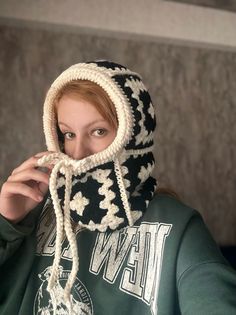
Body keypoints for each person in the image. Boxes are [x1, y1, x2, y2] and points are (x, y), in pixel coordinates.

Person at [0, 60, 235, 315]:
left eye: (98, 131)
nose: (77, 153)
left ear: (132, 136)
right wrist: (5, 225)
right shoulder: (32, 211)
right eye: (68, 134)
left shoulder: (176, 228)